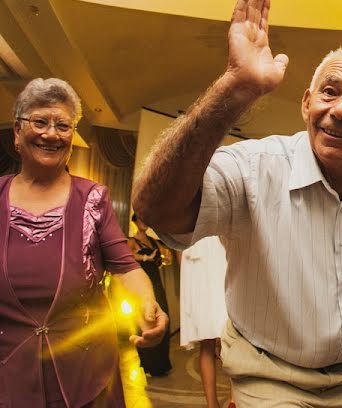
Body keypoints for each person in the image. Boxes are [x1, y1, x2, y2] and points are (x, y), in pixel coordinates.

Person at [131, 0, 342, 407]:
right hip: (270, 378)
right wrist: (235, 88)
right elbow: (155, 207)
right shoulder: (253, 167)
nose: (340, 109)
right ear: (307, 103)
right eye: (330, 91)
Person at [0, 78, 168, 406]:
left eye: (63, 125)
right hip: (8, 367)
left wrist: (149, 305)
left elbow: (125, 268)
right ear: (17, 133)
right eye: (40, 121)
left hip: (84, 370)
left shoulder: (92, 199)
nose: (51, 133)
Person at [180, 235, 230, 408]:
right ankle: (222, 402)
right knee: (223, 339)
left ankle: (222, 402)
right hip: (205, 254)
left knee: (221, 340)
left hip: (208, 251)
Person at [129, 214, 174, 376]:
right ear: (134, 221)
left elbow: (165, 258)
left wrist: (166, 258)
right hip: (140, 284)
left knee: (163, 318)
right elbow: (126, 258)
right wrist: (144, 257)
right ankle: (149, 365)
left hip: (156, 283)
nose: (145, 222)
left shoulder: (154, 240)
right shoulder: (132, 241)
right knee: (146, 321)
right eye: (141, 219)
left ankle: (162, 363)